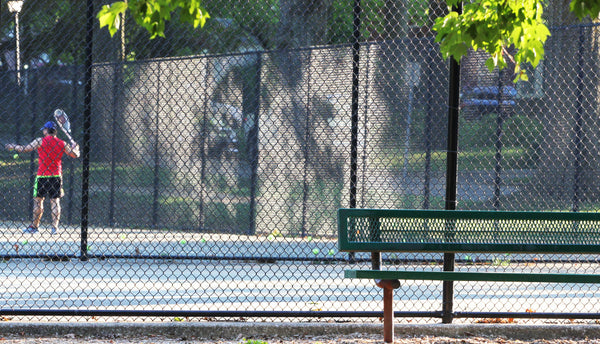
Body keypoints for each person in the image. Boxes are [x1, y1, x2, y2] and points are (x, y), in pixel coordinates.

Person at [5, 121, 80, 235]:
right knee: (55, 201)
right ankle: (54, 228)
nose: (43, 131)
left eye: (44, 129)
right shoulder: (62, 143)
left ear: (46, 130)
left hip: (42, 176)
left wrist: (13, 146)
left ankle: (35, 227)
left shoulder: (40, 141)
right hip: (56, 176)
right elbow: (75, 155)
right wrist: (76, 148)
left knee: (38, 202)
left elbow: (25, 149)